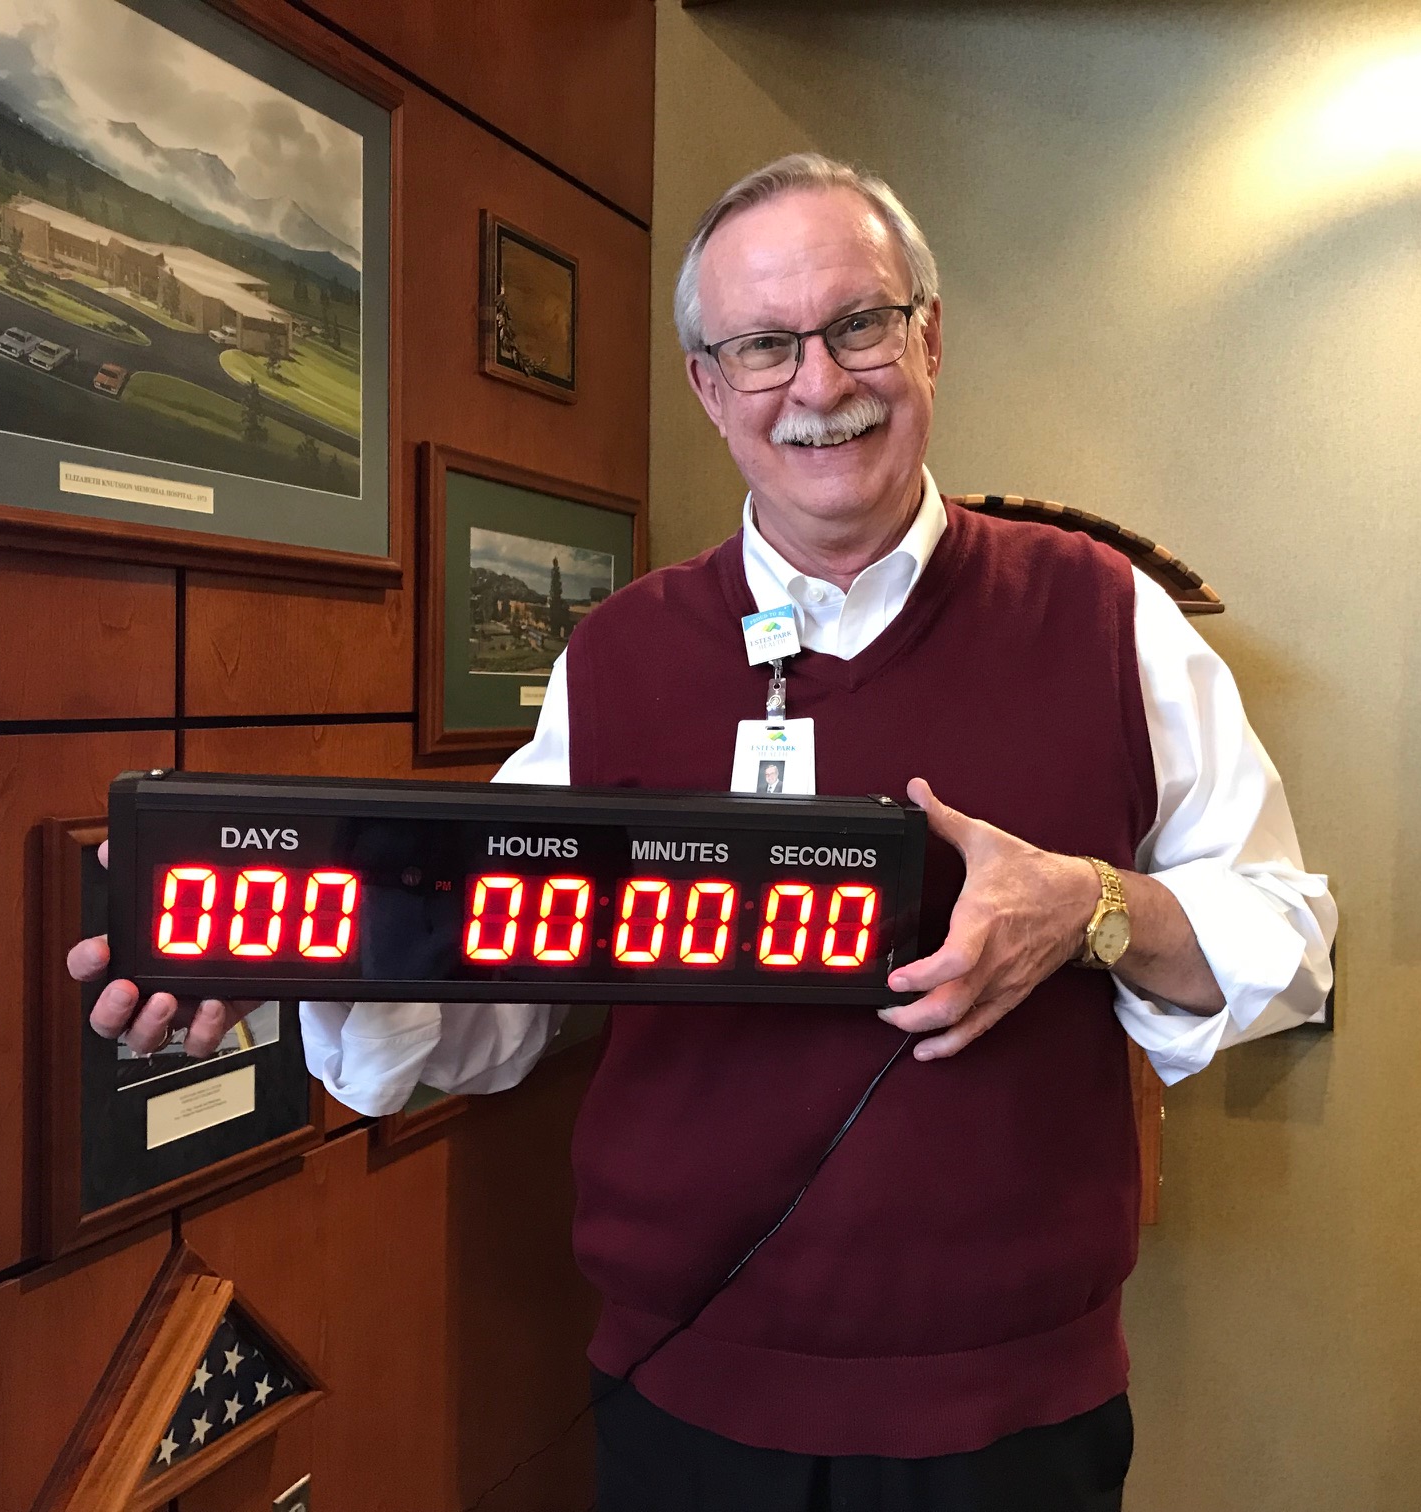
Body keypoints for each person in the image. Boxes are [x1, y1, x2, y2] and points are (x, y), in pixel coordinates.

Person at [70, 153, 1334, 1511]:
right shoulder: (616, 656)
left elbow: (1288, 946)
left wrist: (1094, 910)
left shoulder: (1104, 614)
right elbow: (493, 1000)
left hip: (1009, 1420)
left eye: (860, 324)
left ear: (930, 335)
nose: (820, 383)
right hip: (684, 1400)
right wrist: (301, 953)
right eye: (763, 344)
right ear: (707, 383)